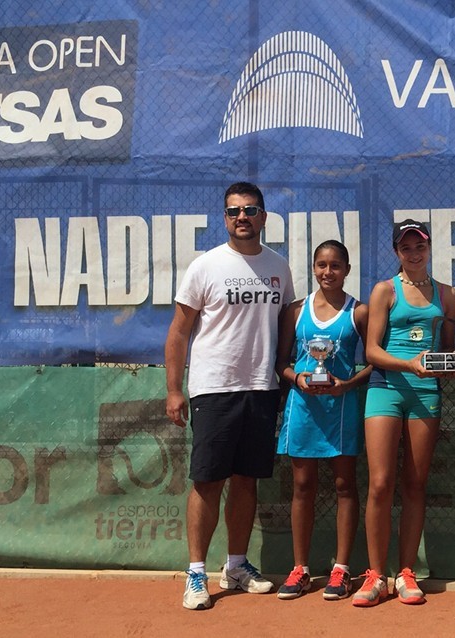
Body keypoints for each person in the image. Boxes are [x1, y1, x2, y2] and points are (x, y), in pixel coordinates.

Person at [165, 182, 294, 610]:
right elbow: (179, 332)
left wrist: (285, 373)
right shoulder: (206, 266)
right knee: (207, 482)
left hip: (261, 389)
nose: (242, 217)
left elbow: (287, 329)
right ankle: (196, 574)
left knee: (246, 480)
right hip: (213, 389)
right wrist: (173, 389)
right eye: (234, 211)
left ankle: (236, 565)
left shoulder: (280, 267)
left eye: (250, 210)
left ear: (263, 217)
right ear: (225, 218)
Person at [354, 219, 455, 607]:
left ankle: (406, 572)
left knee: (415, 484)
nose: (414, 253)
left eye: (420, 246)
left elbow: (447, 350)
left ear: (429, 248)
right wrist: (409, 365)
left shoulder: (447, 295)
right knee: (380, 483)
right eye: (406, 247)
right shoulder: (384, 290)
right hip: (385, 389)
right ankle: (375, 575)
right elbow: (373, 352)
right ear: (397, 251)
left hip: (425, 393)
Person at [274, 240, 372, 601]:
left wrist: (347, 384)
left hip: (341, 408)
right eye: (321, 265)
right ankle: (300, 569)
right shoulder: (295, 312)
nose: (327, 272)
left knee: (345, 485)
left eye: (335, 266)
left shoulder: (358, 312)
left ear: (347, 270)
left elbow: (376, 358)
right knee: (302, 486)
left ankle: (342, 569)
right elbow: (280, 360)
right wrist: (298, 378)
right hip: (303, 408)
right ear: (313, 268)